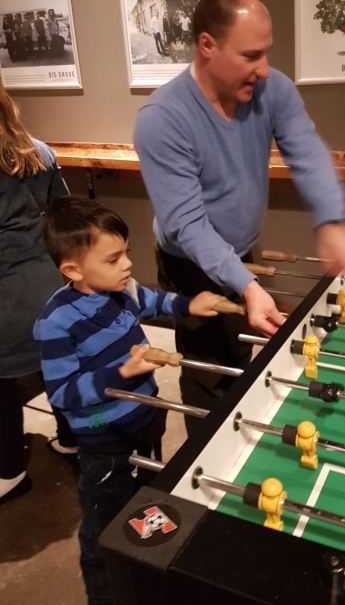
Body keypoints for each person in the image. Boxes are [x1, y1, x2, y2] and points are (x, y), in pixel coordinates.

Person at [134, 0, 345, 434]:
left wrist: (333, 219)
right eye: (250, 55)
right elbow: (186, 225)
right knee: (207, 371)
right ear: (207, 46)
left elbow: (307, 153)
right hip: (188, 263)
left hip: (241, 249)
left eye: (266, 52)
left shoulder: (272, 89)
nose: (264, 68)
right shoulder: (161, 119)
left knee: (239, 354)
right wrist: (246, 283)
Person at [33, 196, 227, 605]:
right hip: (105, 441)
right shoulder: (56, 323)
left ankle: (146, 576)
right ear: (73, 270)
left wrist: (189, 304)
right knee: (103, 532)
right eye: (113, 259)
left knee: (147, 506)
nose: (127, 265)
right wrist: (122, 372)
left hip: (146, 420)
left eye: (127, 253)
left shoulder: (123, 289)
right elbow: (63, 392)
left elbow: (154, 300)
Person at [0, 81, 77, 504]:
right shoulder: (39, 153)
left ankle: (8, 470)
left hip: (5, 301)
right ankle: (71, 438)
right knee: (57, 366)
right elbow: (65, 216)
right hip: (49, 288)